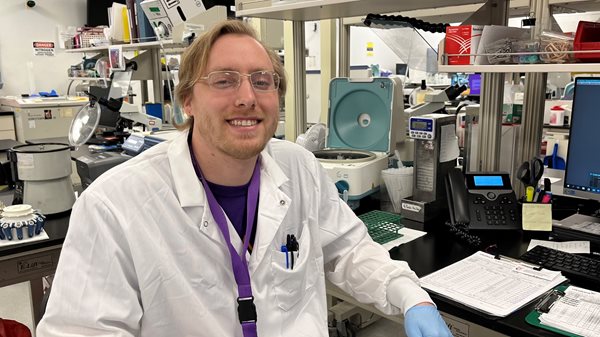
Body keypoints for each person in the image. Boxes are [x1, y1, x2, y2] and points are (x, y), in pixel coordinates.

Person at [37, 19, 452, 337]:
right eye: (224, 80)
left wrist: (410, 297)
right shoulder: (115, 204)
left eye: (262, 81)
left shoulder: (299, 168)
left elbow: (348, 250)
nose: (247, 97)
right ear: (187, 101)